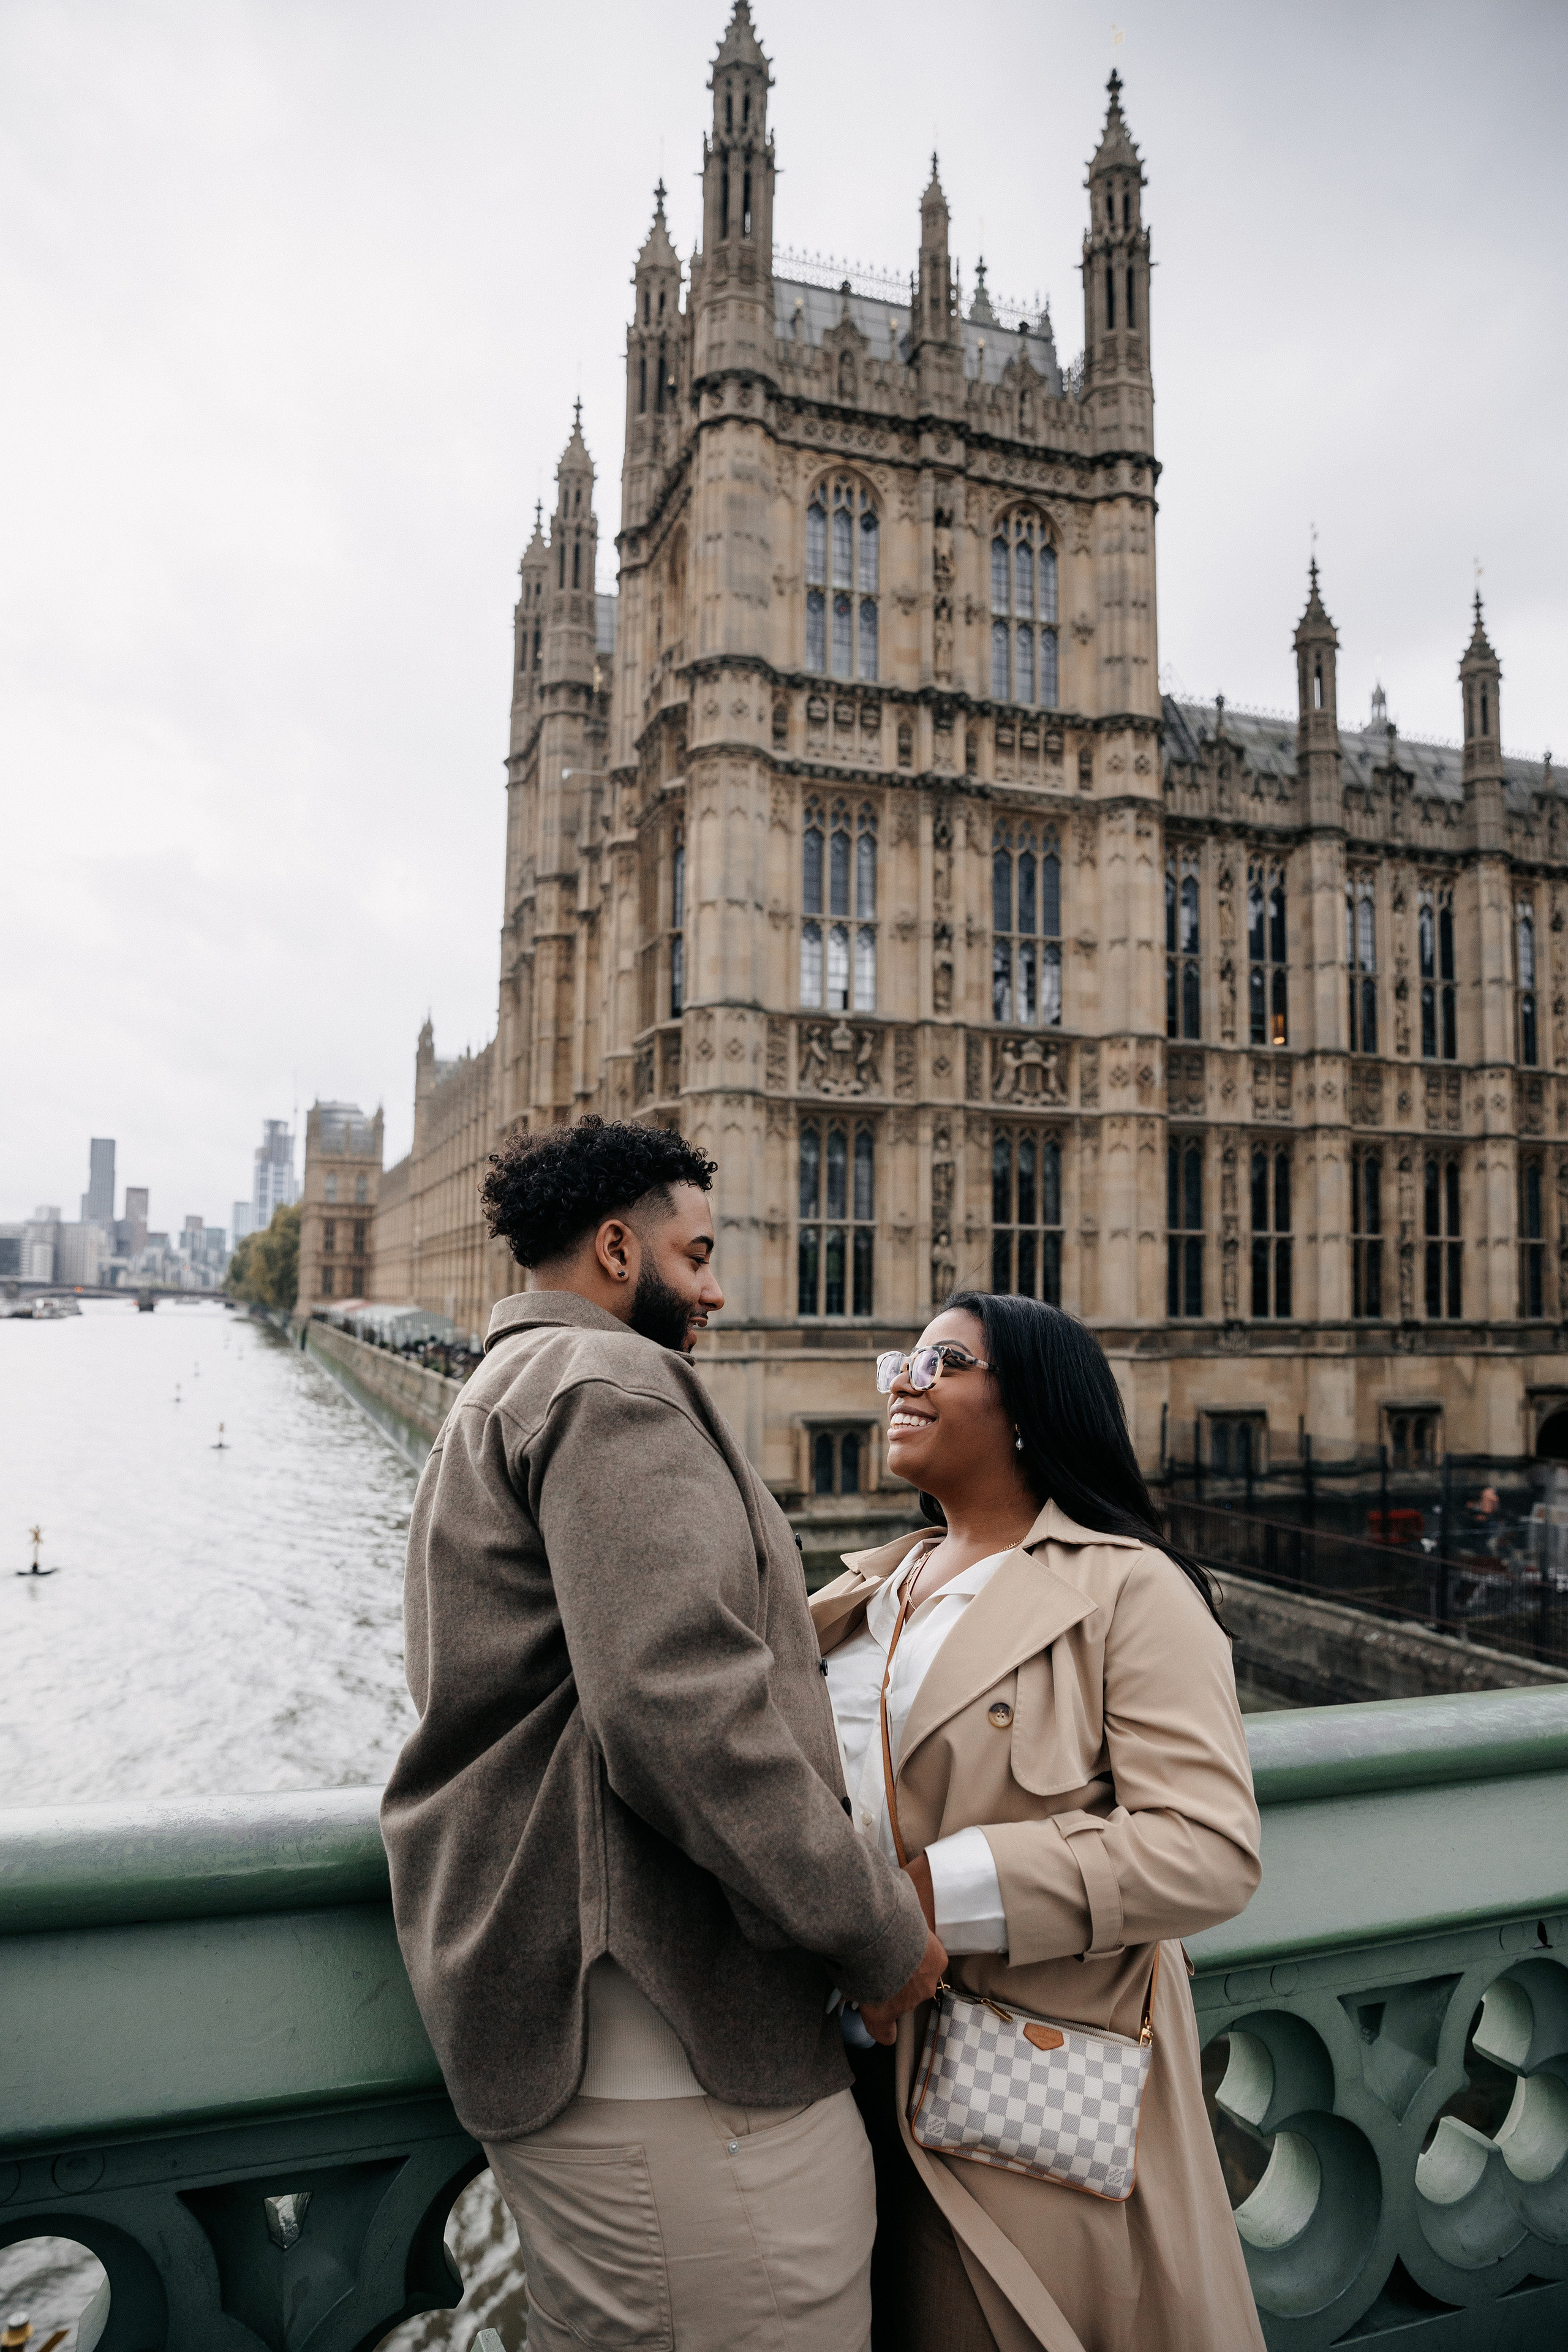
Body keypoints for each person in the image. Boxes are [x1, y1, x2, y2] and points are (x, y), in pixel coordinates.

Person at [380, 1118, 941, 2352]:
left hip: (567, 2010)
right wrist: (874, 1934)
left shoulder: (502, 1386)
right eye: (695, 1256)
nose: (717, 1288)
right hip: (663, 2037)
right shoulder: (611, 1388)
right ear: (619, 1248)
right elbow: (681, 1711)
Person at [813, 1294, 1265, 2352]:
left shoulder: (1130, 1589)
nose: (903, 1382)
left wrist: (925, 1902)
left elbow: (1207, 1850)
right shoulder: (864, 1592)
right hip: (827, 2081)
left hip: (1021, 2098)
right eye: (903, 1359)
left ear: (1028, 1407)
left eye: (944, 1361)